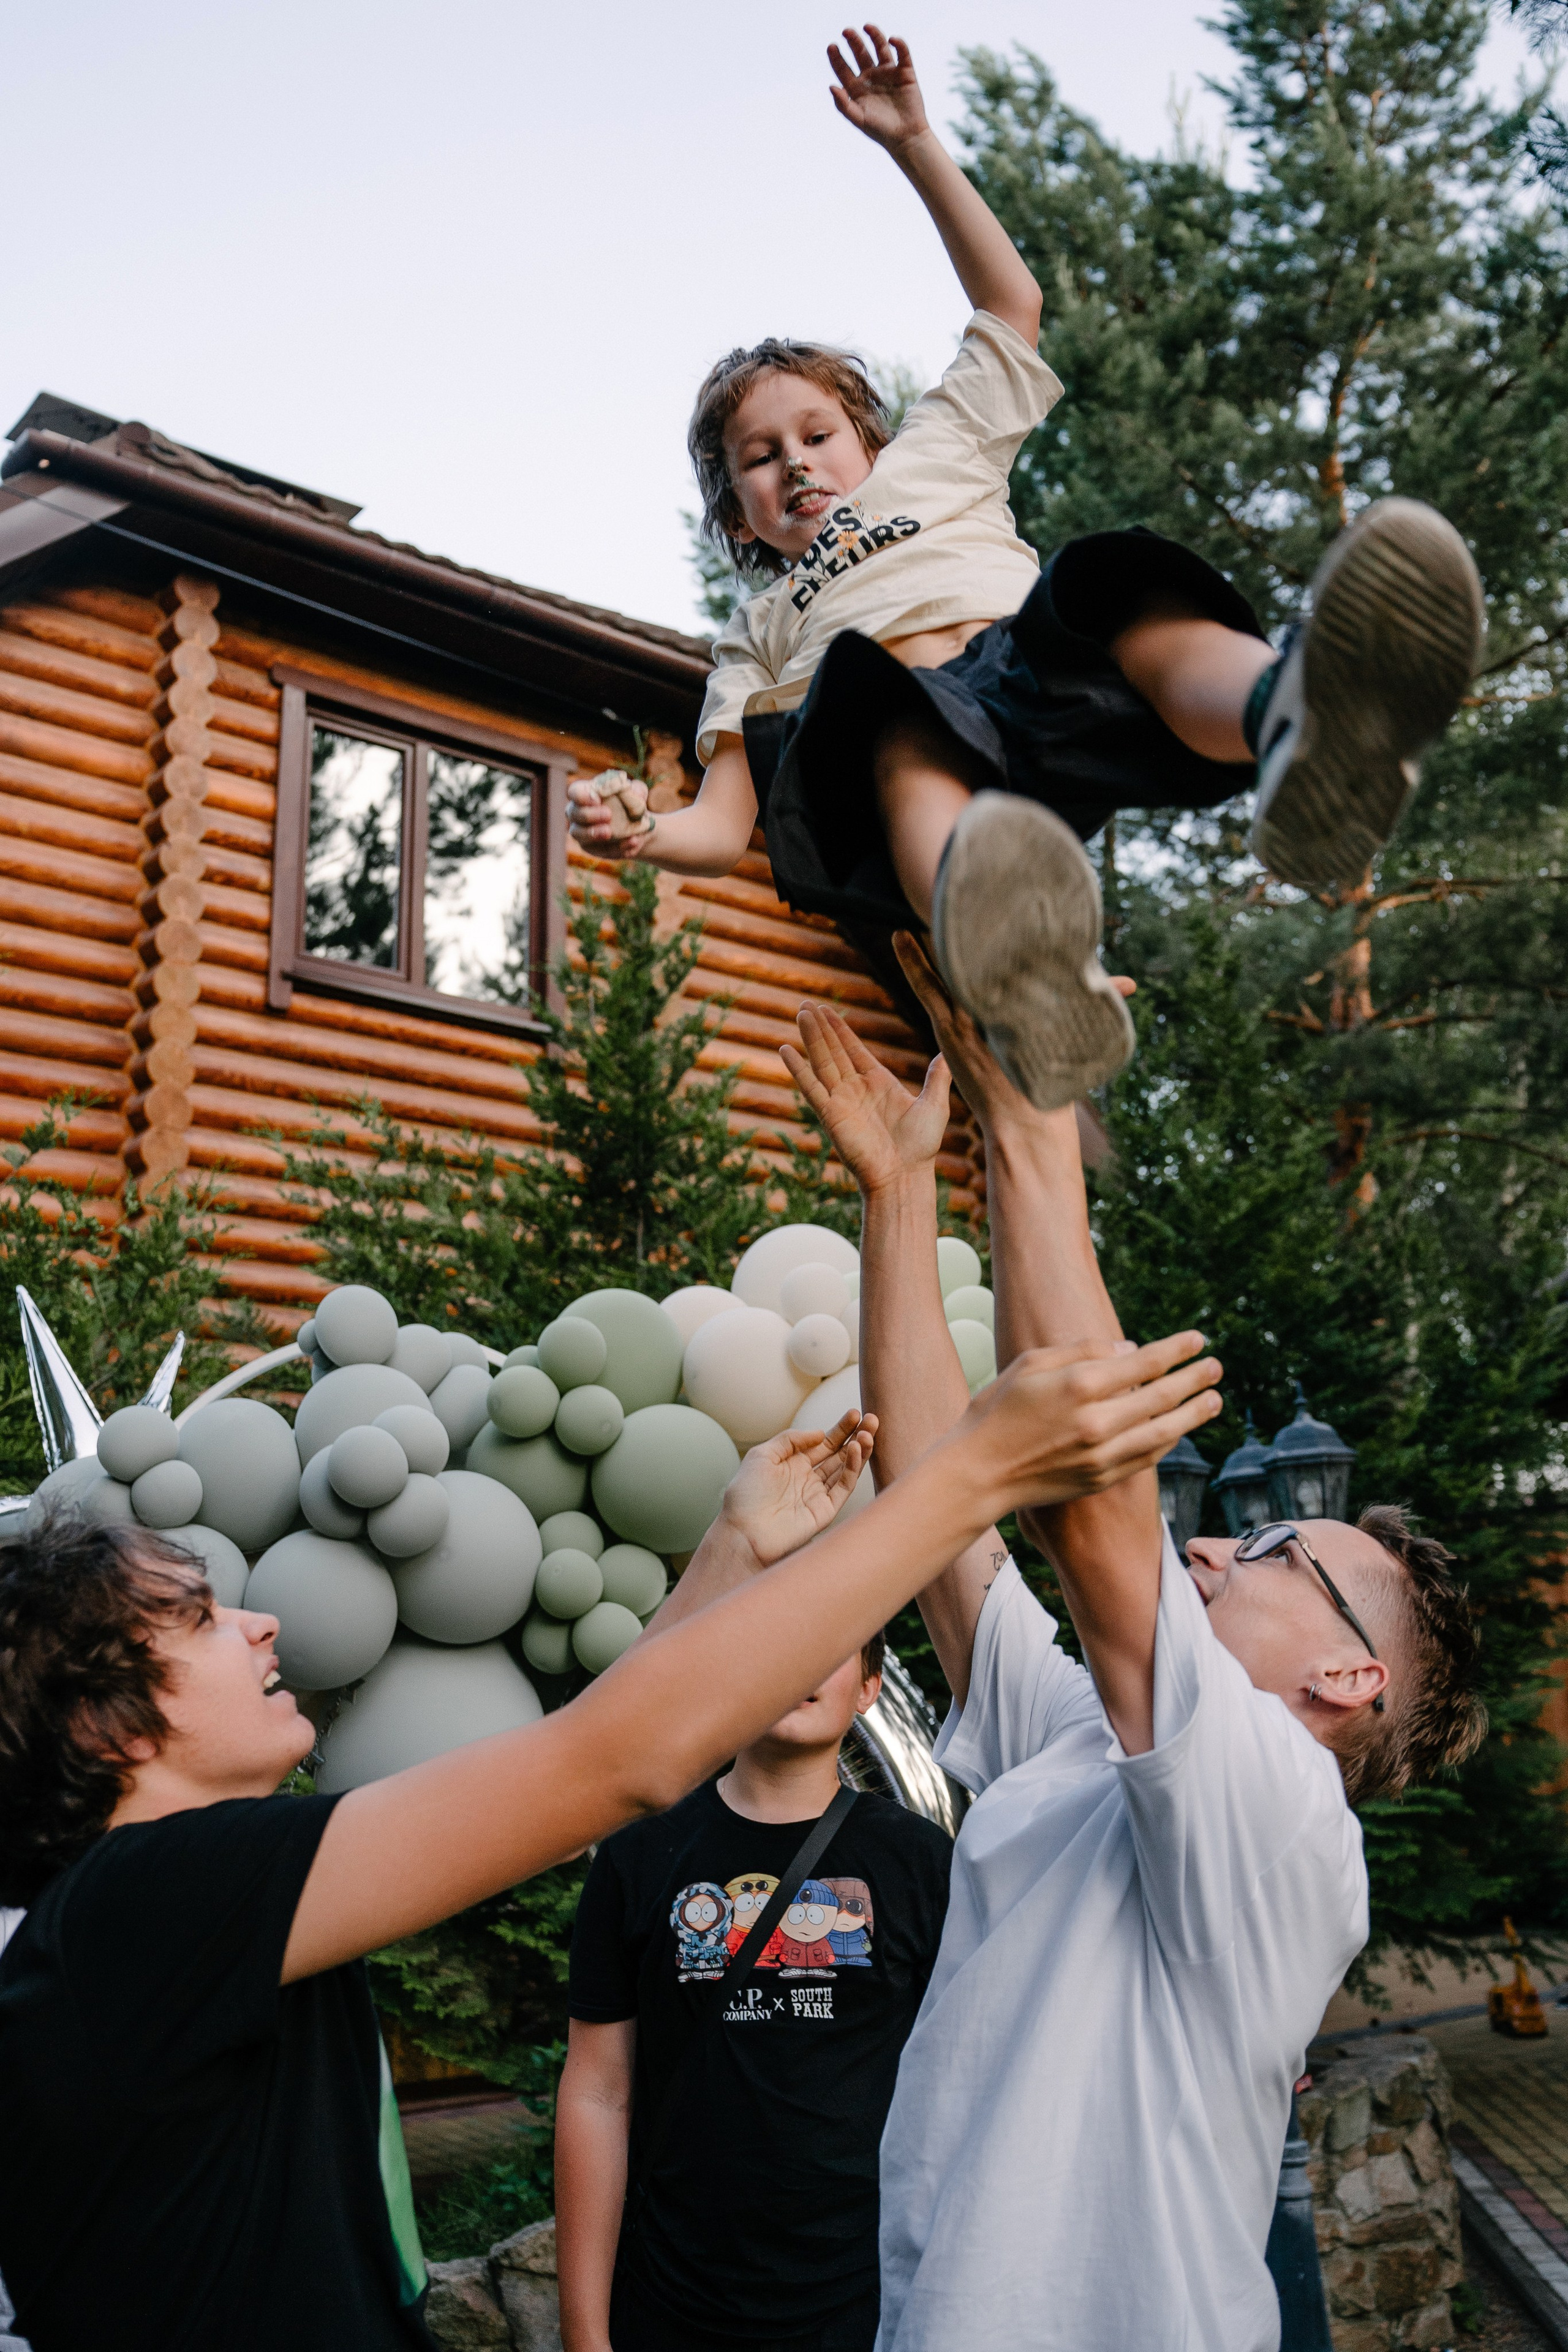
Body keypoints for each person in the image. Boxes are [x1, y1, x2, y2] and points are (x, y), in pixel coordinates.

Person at [0, 1328, 1221, 2352]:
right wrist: (967, 1478)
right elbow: (615, 1763)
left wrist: (733, 1551)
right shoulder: (147, 1906)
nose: (262, 1624)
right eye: (200, 1618)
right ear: (106, 1722)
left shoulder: (157, 1912)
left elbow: (573, 1764)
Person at [567, 24, 1485, 1115]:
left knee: (1108, 588)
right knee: (881, 718)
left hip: (1035, 682)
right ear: (739, 514)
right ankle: (1017, 962)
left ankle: (1298, 717)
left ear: (869, 441)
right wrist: (642, 832)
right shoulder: (758, 630)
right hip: (929, 759)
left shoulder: (933, 455)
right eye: (760, 460)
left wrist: (914, 143)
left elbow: (1011, 306)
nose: (797, 464)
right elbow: (723, 828)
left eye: (816, 435)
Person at [778, 951, 1487, 2351]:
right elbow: (944, 1515)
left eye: (1273, 1551)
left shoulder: (1287, 1821)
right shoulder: (1082, 1744)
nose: (1215, 1546)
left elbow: (1094, 1515)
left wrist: (1035, 1118)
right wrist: (900, 1189)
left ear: (1347, 1679)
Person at [556, 1611, 951, 2352]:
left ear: (869, 1687)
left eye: (828, 1648)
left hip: (864, 2306)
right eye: (781, 1641)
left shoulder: (923, 1864)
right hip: (670, 2299)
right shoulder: (639, 1857)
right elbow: (597, 2094)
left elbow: (958, 2093)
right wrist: (584, 2331)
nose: (801, 1664)